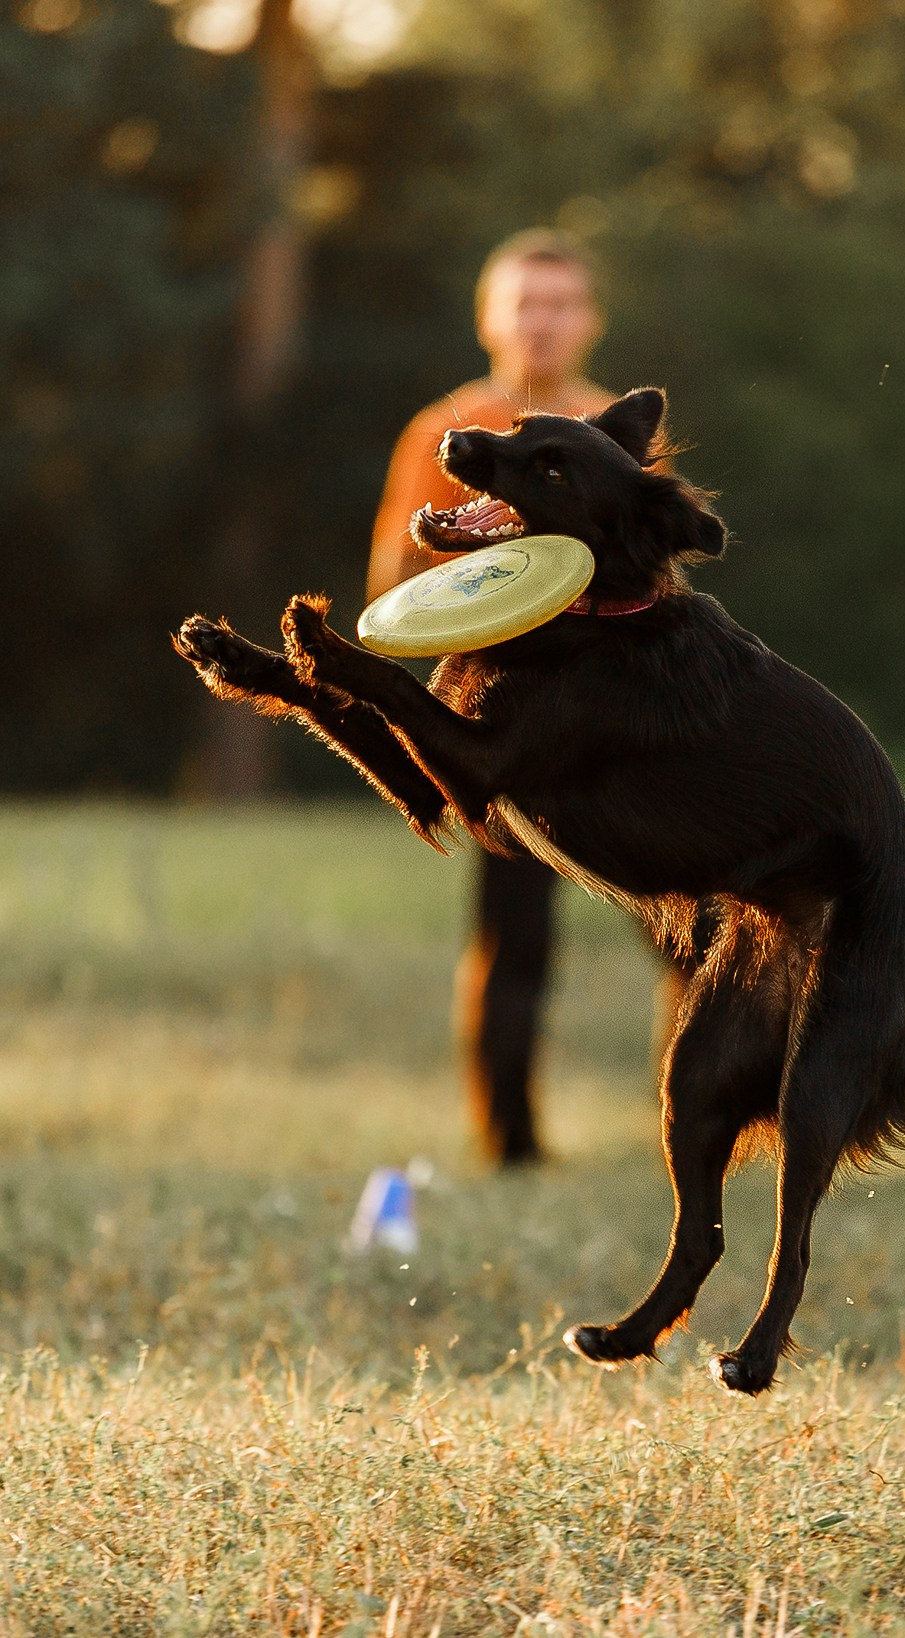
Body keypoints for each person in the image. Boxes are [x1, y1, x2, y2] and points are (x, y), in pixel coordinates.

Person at [367, 229, 615, 1166]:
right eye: (525, 302)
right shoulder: (446, 431)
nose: (542, 323)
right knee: (515, 937)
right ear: (489, 316)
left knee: (699, 926)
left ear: (590, 320)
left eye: (561, 303)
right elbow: (392, 579)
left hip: (617, 719)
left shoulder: (618, 428)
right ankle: (510, 1145)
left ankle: (714, 1118)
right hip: (510, 722)